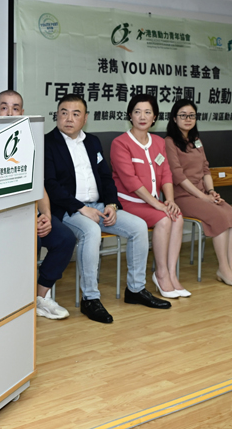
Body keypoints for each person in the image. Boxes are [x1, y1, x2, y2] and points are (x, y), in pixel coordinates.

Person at [44, 94, 171, 324]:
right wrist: (81, 208)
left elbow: (106, 178)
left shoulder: (92, 142)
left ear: (85, 118)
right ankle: (90, 299)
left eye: (75, 114)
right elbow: (50, 185)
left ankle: (135, 290)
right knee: (91, 231)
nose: (69, 118)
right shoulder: (47, 143)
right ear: (57, 115)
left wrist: (112, 204)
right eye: (64, 113)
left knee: (138, 226)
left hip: (99, 206)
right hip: (68, 210)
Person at [0, 89, 76, 320]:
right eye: (4, 107)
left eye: (15, 108)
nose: (10, 113)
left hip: (29, 214)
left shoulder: (28, 144)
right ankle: (17, 301)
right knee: (33, 240)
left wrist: (45, 215)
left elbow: (39, 187)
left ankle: (40, 297)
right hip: (2, 217)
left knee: (65, 238)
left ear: (23, 112)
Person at [110, 94, 187, 298]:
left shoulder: (159, 142)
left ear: (155, 117)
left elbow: (166, 173)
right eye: (137, 112)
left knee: (177, 217)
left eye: (147, 112)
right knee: (164, 219)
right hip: (128, 202)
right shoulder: (120, 143)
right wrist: (158, 205)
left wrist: (169, 200)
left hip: (153, 203)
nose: (142, 117)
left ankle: (171, 273)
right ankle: (160, 274)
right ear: (130, 115)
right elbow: (130, 181)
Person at [164, 99, 232, 286]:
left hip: (203, 193)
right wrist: (202, 197)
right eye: (183, 115)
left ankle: (231, 267)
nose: (188, 119)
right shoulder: (169, 142)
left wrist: (211, 191)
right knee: (220, 218)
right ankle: (223, 268)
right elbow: (178, 175)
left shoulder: (196, 141)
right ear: (174, 118)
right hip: (183, 196)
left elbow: (206, 169)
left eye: (192, 115)